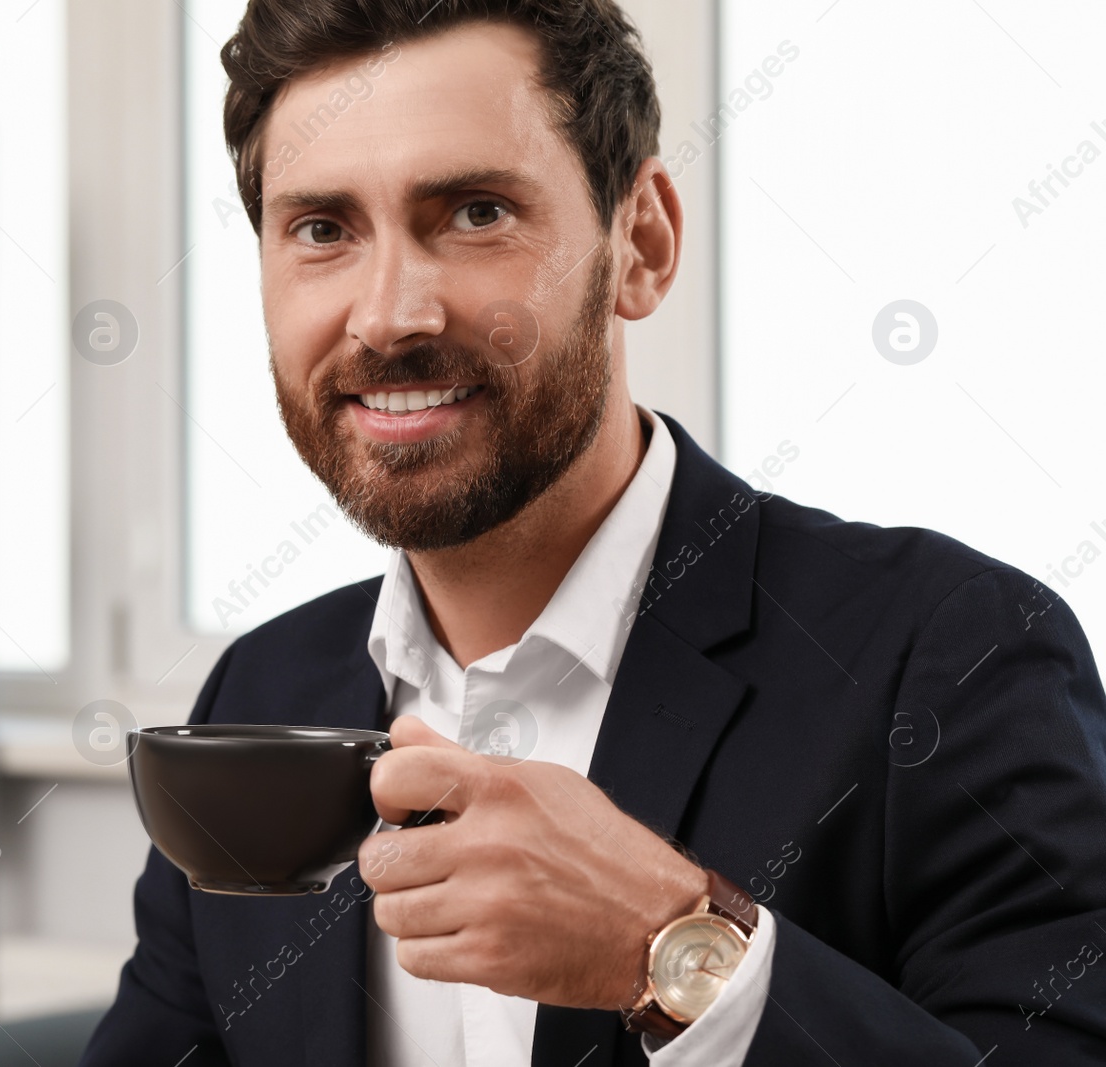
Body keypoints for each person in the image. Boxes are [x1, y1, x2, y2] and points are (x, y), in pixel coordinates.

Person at [81, 1, 1106, 1063]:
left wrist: (669, 946)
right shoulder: (259, 691)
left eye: (475, 212)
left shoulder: (951, 650)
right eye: (322, 230)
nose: (388, 315)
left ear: (642, 244)